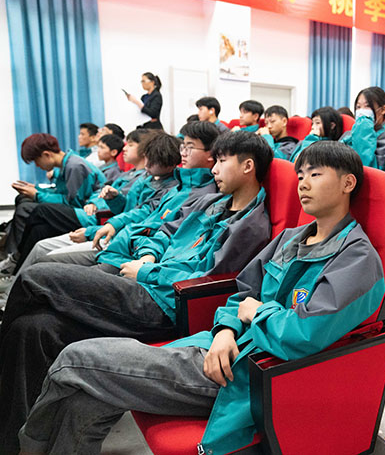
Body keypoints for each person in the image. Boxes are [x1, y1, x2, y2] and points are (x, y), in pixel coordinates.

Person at [15, 140, 384, 455]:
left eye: (315, 174)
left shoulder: (357, 259)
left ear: (347, 183)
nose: (303, 183)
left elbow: (304, 334)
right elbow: (243, 292)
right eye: (300, 175)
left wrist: (256, 313)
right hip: (217, 346)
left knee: (75, 358)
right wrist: (225, 329)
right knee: (85, 400)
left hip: (247, 374)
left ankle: (25, 448)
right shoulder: (292, 237)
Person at [0, 131, 275, 453]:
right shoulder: (210, 202)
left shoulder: (250, 226)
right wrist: (148, 255)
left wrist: (147, 271)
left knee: (35, 277)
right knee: (32, 327)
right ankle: (9, 438)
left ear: (247, 166)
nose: (214, 168)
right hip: (141, 282)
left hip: (162, 302)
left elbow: (208, 279)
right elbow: (165, 231)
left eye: (222, 161)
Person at [2, 130, 180, 283]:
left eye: (131, 145)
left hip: (110, 233)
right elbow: (126, 210)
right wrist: (112, 198)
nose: (125, 148)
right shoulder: (144, 179)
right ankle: (15, 273)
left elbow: (141, 220)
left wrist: (92, 229)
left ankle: (15, 271)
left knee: (38, 219)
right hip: (111, 233)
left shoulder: (168, 188)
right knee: (38, 230)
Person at [45, 122, 219, 269]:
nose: (184, 153)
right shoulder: (174, 185)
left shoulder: (193, 192)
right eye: (184, 147)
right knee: (44, 257)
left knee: (45, 261)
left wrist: (145, 258)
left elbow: (158, 229)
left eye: (190, 147)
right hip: (121, 242)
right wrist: (112, 199)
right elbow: (141, 216)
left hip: (130, 250)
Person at [0, 134, 106, 274]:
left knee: (39, 209)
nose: (37, 165)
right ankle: (16, 272)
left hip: (87, 215)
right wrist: (36, 190)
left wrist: (37, 195)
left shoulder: (74, 166)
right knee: (38, 230)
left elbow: (73, 202)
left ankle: (15, 257)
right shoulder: (67, 164)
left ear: (47, 155)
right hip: (77, 211)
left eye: (36, 161)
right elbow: (62, 193)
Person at [340, 86, 385, 171]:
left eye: (367, 106)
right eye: (358, 107)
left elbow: (368, 171)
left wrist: (364, 129)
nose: (361, 111)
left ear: (383, 109)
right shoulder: (349, 134)